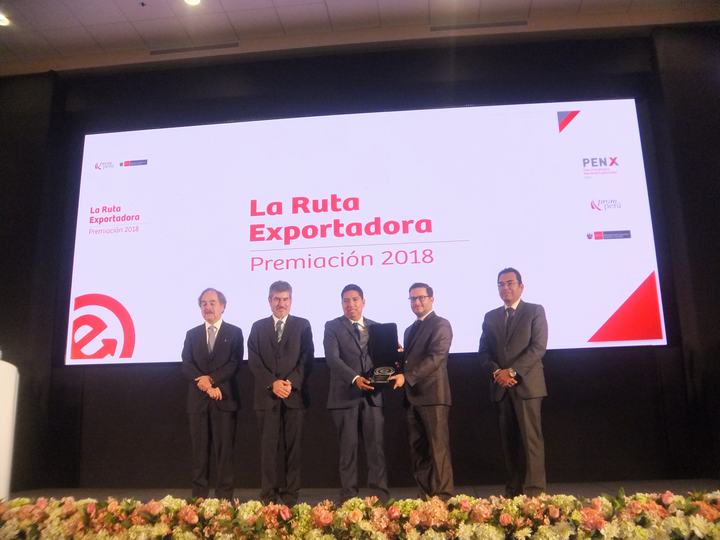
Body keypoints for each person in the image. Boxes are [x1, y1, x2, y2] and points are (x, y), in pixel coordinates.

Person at [478, 267, 548, 497]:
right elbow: (484, 352)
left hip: (527, 386)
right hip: (501, 387)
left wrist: (512, 372)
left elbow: (538, 347)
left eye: (509, 283)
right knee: (509, 444)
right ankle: (513, 492)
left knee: (531, 441)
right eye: (501, 284)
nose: (505, 288)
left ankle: (535, 493)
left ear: (521, 286)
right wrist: (497, 372)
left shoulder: (535, 310)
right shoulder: (490, 316)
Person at [248, 281, 314, 505]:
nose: (281, 303)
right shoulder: (258, 327)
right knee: (268, 449)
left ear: (291, 301)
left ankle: (290, 495)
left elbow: (307, 358)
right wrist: (272, 383)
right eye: (277, 299)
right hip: (266, 398)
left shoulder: (302, 325)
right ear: (269, 300)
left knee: (293, 450)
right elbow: (254, 361)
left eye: (285, 299)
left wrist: (289, 383)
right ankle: (268, 495)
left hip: (294, 397)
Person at [324, 284, 389, 503]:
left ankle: (379, 497)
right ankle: (349, 497)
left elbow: (385, 359)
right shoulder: (332, 326)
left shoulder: (377, 328)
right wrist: (354, 378)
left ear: (363, 301)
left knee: (376, 449)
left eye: (354, 300)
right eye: (346, 300)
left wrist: (395, 354)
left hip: (373, 397)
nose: (350, 304)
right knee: (347, 450)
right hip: (345, 397)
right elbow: (333, 359)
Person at [388, 282, 454, 500]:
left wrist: (407, 377)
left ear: (431, 299)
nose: (416, 302)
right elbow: (412, 360)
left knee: (438, 449)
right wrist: (398, 356)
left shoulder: (441, 324)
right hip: (413, 397)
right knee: (418, 450)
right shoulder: (409, 329)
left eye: (421, 297)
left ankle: (443, 497)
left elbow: (436, 358)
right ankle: (425, 497)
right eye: (413, 298)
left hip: (434, 396)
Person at [181, 287, 243, 499]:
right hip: (198, 402)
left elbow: (234, 364)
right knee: (199, 453)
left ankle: (224, 499)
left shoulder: (234, 333)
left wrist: (213, 381)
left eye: (212, 303)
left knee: (224, 452)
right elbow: (187, 365)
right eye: (204, 303)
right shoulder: (192, 334)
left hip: (224, 399)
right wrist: (207, 385)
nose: (208, 307)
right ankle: (199, 499)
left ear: (223, 306)